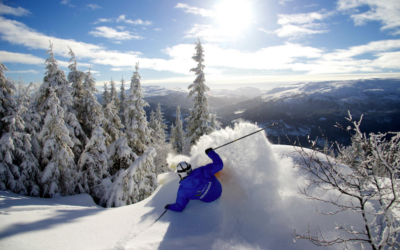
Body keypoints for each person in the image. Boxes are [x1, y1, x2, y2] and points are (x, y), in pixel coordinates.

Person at [164, 148, 224, 212]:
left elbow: (179, 207)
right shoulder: (203, 170)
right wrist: (210, 152)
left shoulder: (182, 190)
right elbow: (219, 165)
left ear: (180, 174)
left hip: (208, 200)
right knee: (211, 172)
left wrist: (169, 207)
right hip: (219, 190)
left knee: (209, 173)